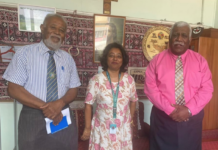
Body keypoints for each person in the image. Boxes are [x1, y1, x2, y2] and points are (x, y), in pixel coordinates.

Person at [3, 14, 81, 150]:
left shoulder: (68, 59)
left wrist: (59, 104)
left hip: (61, 114)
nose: (57, 32)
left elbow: (73, 89)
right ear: (42, 28)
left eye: (62, 30)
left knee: (65, 146)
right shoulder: (24, 53)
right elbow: (13, 88)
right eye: (53, 27)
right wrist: (48, 107)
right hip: (33, 115)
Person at [144, 21, 213, 150]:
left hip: (191, 118)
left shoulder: (200, 61)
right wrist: (171, 110)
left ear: (190, 39)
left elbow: (207, 89)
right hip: (163, 118)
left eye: (184, 35)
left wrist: (188, 110)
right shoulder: (156, 61)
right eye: (175, 35)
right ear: (170, 38)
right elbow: (150, 89)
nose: (179, 39)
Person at [81, 42, 138, 150]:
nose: (115, 59)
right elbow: (88, 105)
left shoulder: (129, 80)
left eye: (118, 56)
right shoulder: (96, 80)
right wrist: (87, 128)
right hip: (101, 127)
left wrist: (129, 118)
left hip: (122, 128)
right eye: (111, 55)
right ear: (106, 58)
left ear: (123, 60)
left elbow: (134, 100)